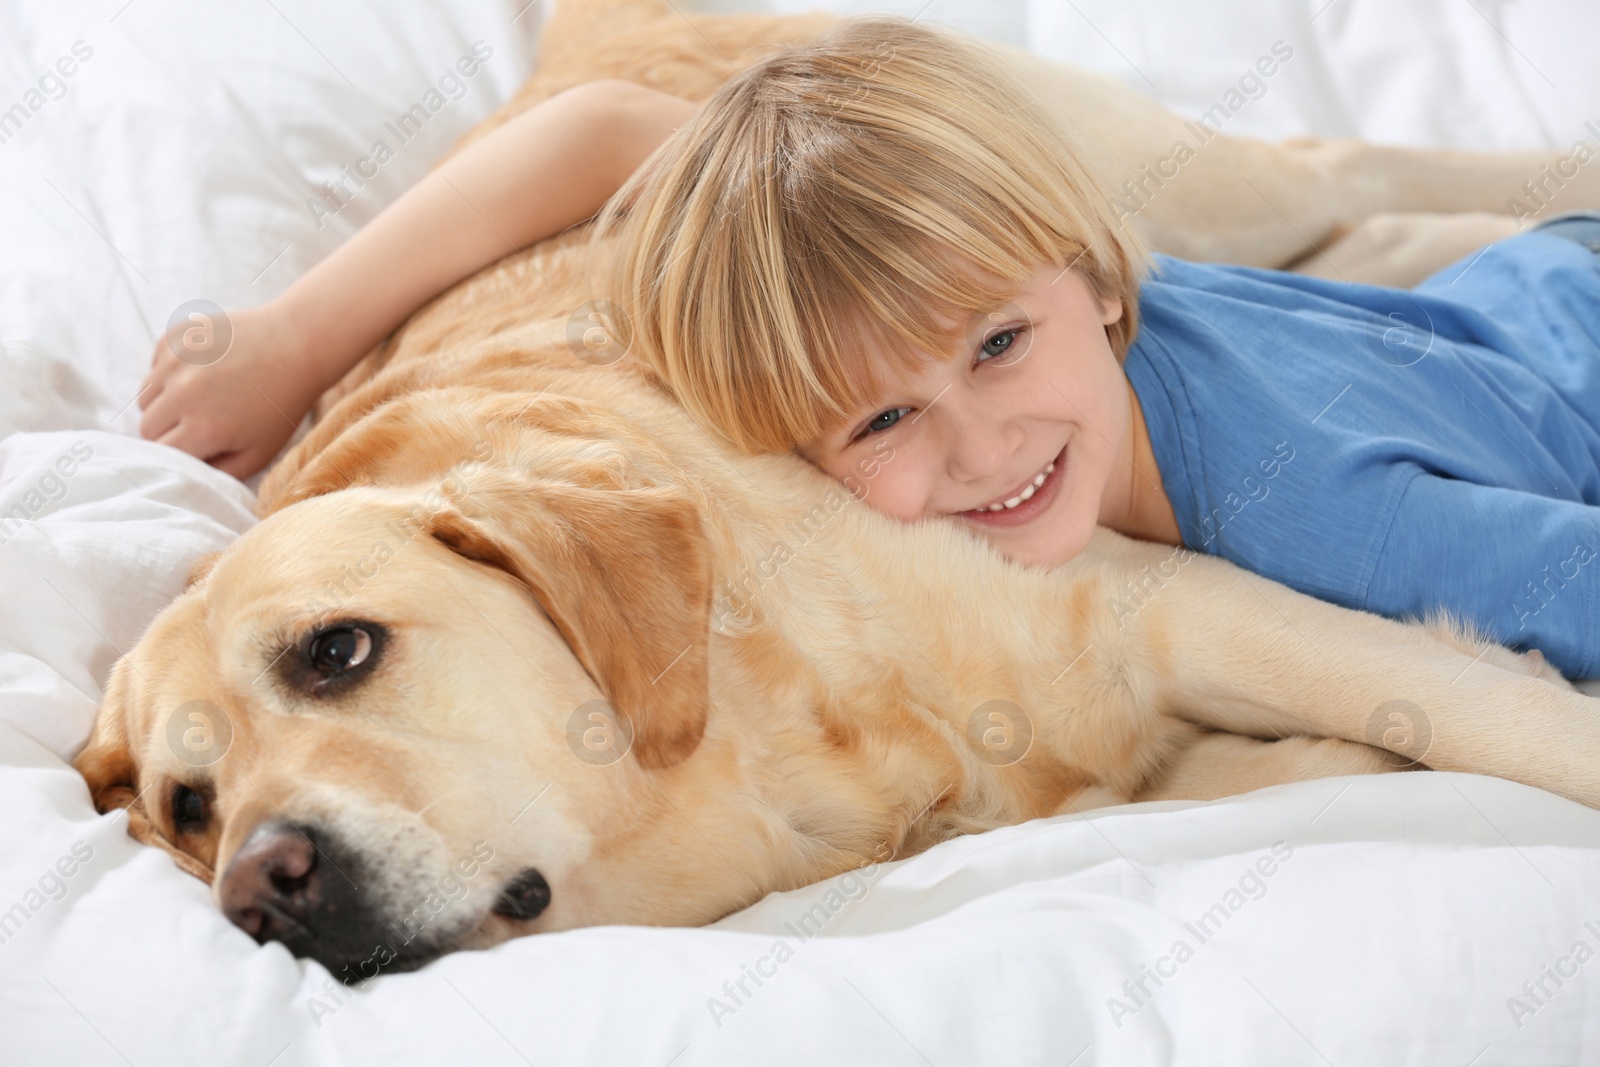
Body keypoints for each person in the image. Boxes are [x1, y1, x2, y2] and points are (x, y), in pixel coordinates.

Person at [138, 17, 1600, 678]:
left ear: (1095, 278)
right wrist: (289, 340)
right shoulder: (963, 278)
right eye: (876, 427)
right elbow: (596, 135)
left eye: (995, 348)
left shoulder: (1325, 515)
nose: (979, 448)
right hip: (1511, 301)